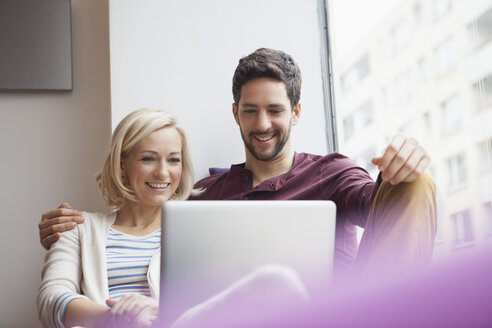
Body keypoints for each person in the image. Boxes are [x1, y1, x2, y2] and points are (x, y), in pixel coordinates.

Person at [39, 48, 436, 278]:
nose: (262, 125)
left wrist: (405, 167)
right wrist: (72, 233)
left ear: (296, 113)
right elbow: (137, 223)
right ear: (235, 113)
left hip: (335, 315)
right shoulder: (203, 196)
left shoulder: (332, 172)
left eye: (275, 110)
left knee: (416, 184)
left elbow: (389, 208)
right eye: (250, 111)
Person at [37, 108, 200, 328]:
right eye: (148, 158)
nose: (162, 172)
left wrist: (157, 314)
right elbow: (51, 300)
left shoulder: (195, 234)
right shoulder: (77, 228)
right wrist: (115, 318)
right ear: (122, 164)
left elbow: (210, 304)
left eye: (173, 160)